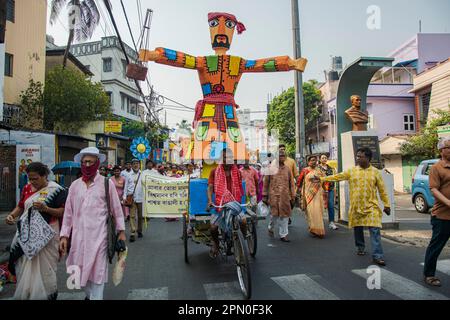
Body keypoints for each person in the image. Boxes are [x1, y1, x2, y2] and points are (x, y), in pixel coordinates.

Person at [60, 147, 126, 300]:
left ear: (97, 164)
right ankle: (89, 295)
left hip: (99, 237)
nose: (87, 165)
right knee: (79, 272)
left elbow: (116, 209)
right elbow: (68, 213)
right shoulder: (75, 186)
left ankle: (96, 297)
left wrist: (121, 231)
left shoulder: (106, 184)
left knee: (98, 272)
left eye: (90, 161)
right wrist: (64, 235)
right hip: (78, 238)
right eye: (84, 162)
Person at [319, 147, 391, 266]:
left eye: (360, 156)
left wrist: (387, 205)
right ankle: (360, 247)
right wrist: (322, 178)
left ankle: (378, 256)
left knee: (375, 230)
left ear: (368, 158)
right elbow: (337, 177)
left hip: (371, 207)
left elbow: (382, 190)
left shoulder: (375, 172)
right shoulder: (352, 171)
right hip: (356, 207)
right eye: (357, 156)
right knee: (358, 228)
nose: (357, 158)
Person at [6, 162, 67, 300]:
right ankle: (28, 294)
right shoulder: (27, 188)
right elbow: (21, 206)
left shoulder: (57, 190)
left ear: (44, 175)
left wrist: (46, 209)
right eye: (30, 178)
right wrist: (11, 215)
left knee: (46, 268)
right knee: (24, 264)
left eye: (35, 178)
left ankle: (48, 294)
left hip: (48, 234)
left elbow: (63, 212)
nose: (32, 181)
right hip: (27, 233)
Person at [207, 148, 246, 257]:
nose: (227, 159)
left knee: (243, 222)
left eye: (229, 157)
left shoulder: (237, 172)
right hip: (220, 205)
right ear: (221, 159)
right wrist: (210, 201)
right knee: (213, 228)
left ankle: (242, 241)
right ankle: (216, 243)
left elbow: (239, 187)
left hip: (234, 204)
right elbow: (210, 187)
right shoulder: (214, 172)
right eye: (225, 157)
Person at [423, 137, 450, 287]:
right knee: (436, 246)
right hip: (442, 215)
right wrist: (448, 202)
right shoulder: (436, 168)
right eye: (449, 147)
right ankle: (429, 274)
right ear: (442, 151)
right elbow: (433, 189)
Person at [263, 150, 296, 242]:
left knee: (285, 216)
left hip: (285, 197)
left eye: (283, 156)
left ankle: (283, 235)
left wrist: (293, 195)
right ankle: (270, 227)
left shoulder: (287, 169)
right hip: (273, 196)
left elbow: (291, 183)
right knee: (274, 216)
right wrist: (264, 195)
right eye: (280, 155)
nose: (282, 157)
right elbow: (266, 183)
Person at [297, 155, 325, 238]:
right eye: (312, 160)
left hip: (318, 194)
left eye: (315, 160)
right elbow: (299, 181)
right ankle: (313, 229)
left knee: (319, 212)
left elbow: (325, 180)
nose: (314, 162)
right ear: (308, 162)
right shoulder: (305, 170)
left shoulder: (320, 170)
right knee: (310, 212)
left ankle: (319, 230)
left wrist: (325, 190)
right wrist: (297, 191)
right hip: (308, 194)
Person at [125, 159, 144, 242]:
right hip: (132, 198)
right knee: (132, 216)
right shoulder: (128, 175)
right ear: (131, 165)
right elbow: (125, 186)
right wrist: (124, 197)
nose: (136, 165)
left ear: (139, 165)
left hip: (141, 197)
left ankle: (139, 231)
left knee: (140, 216)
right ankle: (132, 232)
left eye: (137, 163)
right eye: (134, 164)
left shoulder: (143, 174)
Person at [319, 154, 338, 230]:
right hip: (320, 190)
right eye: (322, 158)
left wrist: (334, 189)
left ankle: (331, 222)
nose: (324, 159)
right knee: (320, 206)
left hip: (330, 189)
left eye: (325, 158)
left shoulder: (330, 168)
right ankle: (319, 223)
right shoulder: (318, 168)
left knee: (331, 205)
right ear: (320, 159)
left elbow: (333, 178)